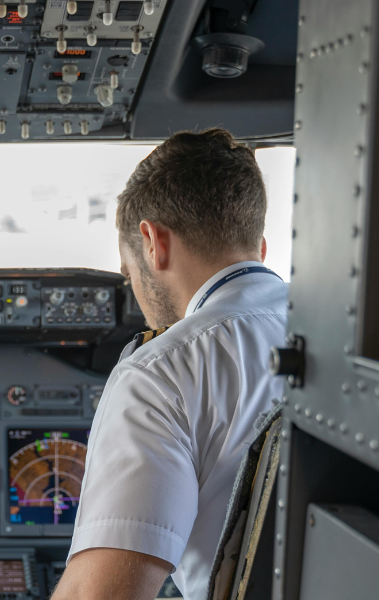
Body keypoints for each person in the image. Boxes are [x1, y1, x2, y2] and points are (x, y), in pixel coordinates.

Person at [51, 129, 288, 600]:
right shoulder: (351, 341)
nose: (136, 293)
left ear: (152, 242)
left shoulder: (161, 375)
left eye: (128, 271)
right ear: (258, 249)